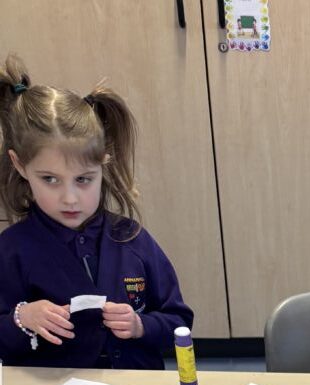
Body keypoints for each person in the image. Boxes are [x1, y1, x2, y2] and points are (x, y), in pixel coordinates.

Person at [0, 55, 192, 369]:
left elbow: (178, 322)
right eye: (50, 179)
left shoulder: (132, 240)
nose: (70, 198)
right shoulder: (11, 250)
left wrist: (140, 326)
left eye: (83, 180)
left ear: (103, 163)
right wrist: (22, 318)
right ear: (20, 165)